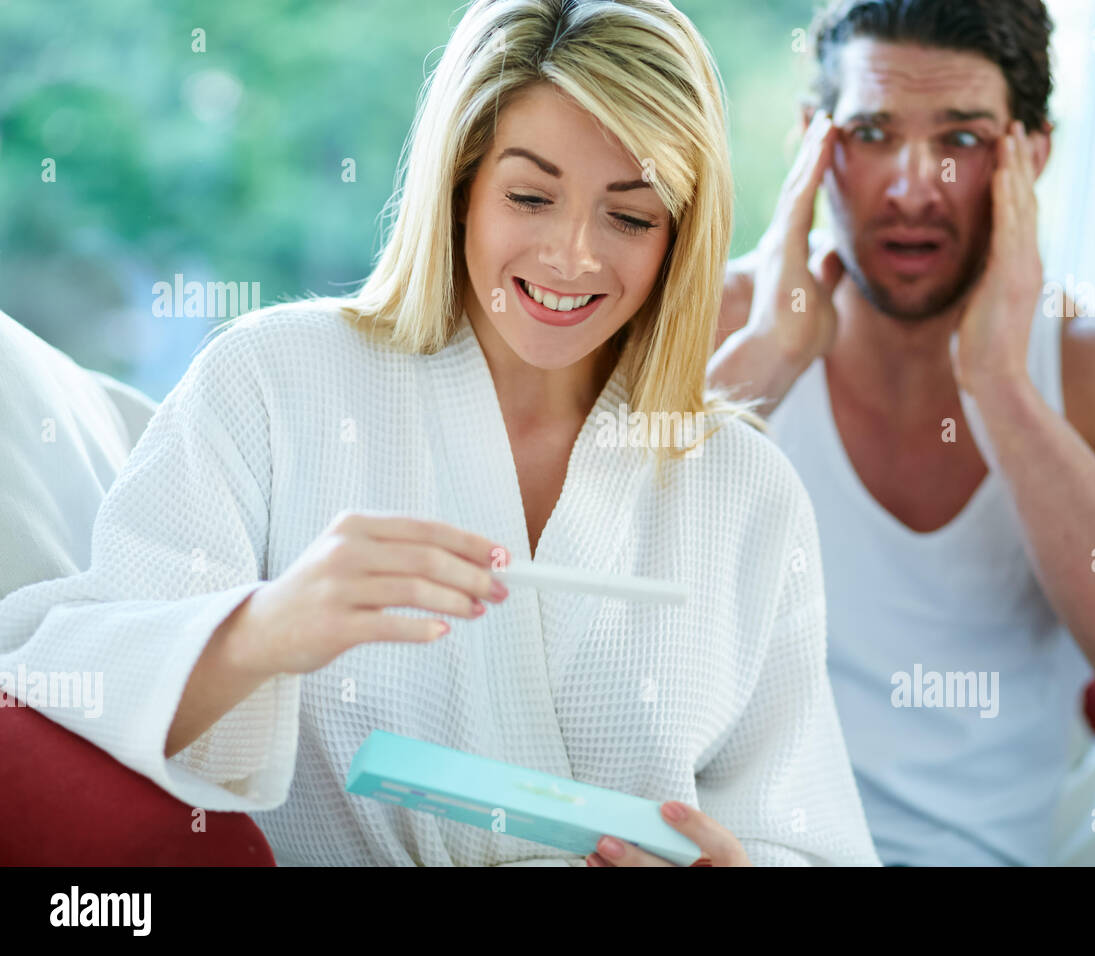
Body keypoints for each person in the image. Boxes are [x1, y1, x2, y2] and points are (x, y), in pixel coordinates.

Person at [0, 0, 880, 867]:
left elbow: (802, 832)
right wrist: (265, 628)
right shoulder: (271, 382)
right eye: (531, 196)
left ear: (679, 239)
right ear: (460, 187)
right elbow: (61, 690)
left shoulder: (744, 488)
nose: (572, 255)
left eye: (630, 217)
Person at [709, 0, 1095, 866]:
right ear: (815, 139)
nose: (911, 186)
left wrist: (1000, 383)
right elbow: (569, 586)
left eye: (961, 140)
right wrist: (769, 364)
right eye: (874, 132)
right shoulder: (722, 325)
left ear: (1031, 155)